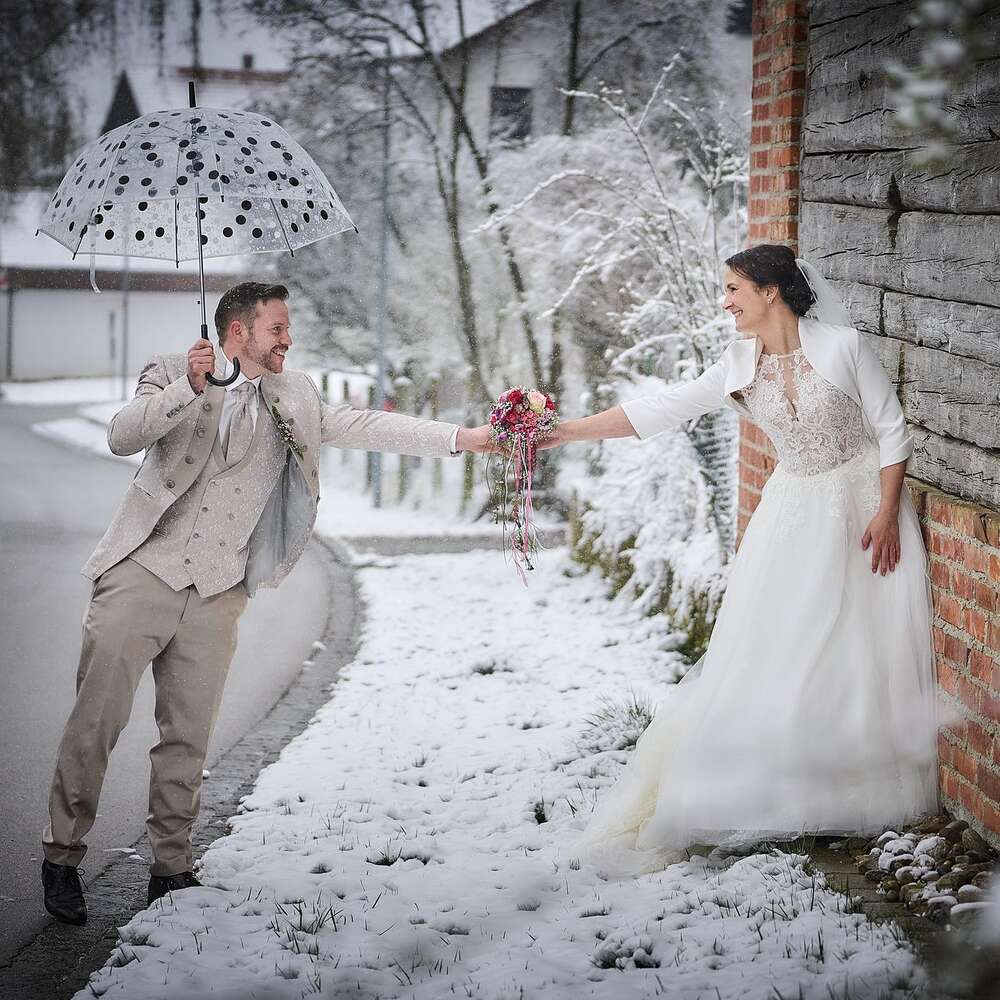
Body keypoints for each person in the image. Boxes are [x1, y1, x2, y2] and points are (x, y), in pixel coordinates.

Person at [41, 281, 493, 923]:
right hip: (141, 570)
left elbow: (367, 424)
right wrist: (189, 390)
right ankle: (61, 857)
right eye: (277, 328)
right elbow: (122, 436)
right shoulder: (172, 371)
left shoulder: (296, 395)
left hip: (217, 588)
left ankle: (170, 869)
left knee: (188, 738)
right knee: (96, 723)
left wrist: (465, 439)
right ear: (238, 333)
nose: (289, 339)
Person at [546, 244, 940, 875]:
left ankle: (849, 787)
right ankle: (773, 784)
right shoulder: (735, 364)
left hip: (863, 505)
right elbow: (659, 409)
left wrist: (888, 511)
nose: (725, 301)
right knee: (779, 642)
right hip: (792, 510)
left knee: (857, 646)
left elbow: (893, 431)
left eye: (733, 289)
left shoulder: (843, 346)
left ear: (770, 292)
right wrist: (564, 430)